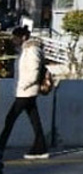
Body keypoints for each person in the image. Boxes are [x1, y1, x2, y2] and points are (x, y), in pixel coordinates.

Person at [0, 26, 51, 159]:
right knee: (34, 120)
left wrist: (22, 86)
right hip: (25, 91)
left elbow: (34, 72)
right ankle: (41, 148)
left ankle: (1, 147)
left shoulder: (32, 50)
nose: (13, 40)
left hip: (26, 91)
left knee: (10, 119)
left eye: (16, 38)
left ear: (23, 37)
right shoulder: (24, 50)